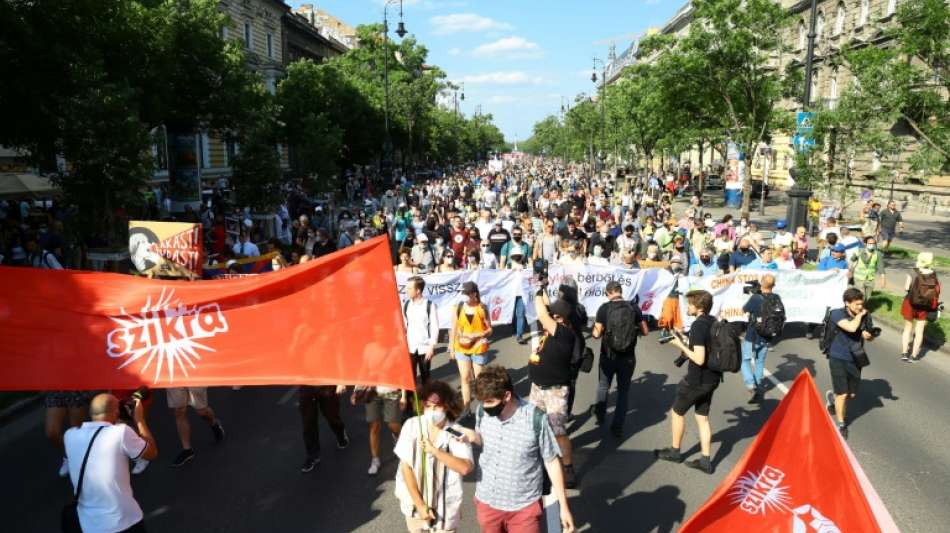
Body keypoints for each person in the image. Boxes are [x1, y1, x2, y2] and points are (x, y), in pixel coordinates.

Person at [459, 366, 575, 533]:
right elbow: (486, 442)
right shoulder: (482, 413)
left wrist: (563, 507)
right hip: (488, 503)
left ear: (507, 396)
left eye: (490, 402)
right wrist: (473, 436)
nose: (485, 406)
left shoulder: (535, 419)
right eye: (482, 402)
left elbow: (552, 462)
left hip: (524, 509)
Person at [64, 393, 158, 533]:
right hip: (124, 521)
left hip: (89, 525)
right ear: (116, 412)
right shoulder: (121, 432)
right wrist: (139, 420)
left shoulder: (69, 435)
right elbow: (152, 453)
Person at [655, 290, 721, 475]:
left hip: (697, 380)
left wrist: (679, 345)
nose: (687, 307)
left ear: (698, 307)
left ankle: (675, 452)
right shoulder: (712, 321)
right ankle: (705, 460)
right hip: (712, 378)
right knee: (702, 418)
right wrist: (683, 338)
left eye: (690, 304)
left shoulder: (699, 325)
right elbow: (705, 346)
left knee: (677, 412)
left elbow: (699, 358)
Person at [394, 381, 473, 533]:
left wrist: (435, 451)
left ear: (447, 406)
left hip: (445, 509)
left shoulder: (455, 432)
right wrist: (420, 506)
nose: (432, 411)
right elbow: (406, 467)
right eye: (428, 406)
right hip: (414, 507)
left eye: (437, 406)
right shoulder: (411, 425)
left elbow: (465, 468)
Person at [528, 290, 579, 489]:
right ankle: (538, 463)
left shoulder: (565, 334)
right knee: (534, 427)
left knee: (558, 431)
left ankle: (568, 468)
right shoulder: (555, 331)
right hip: (538, 388)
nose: (549, 317)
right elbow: (546, 311)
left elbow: (542, 314)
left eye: (554, 316)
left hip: (555, 391)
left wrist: (537, 291)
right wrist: (544, 284)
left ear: (561, 319)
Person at [591, 281, 649, 437]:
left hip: (608, 355)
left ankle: (600, 415)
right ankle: (617, 427)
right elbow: (645, 331)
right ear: (620, 291)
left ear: (609, 293)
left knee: (603, 385)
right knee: (624, 391)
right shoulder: (633, 308)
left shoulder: (604, 308)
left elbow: (596, 335)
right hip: (628, 357)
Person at [824, 288, 877, 439]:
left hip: (856, 357)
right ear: (847, 303)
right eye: (856, 304)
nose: (860, 307)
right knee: (843, 393)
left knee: (851, 394)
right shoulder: (837, 314)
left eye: (861, 304)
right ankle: (841, 424)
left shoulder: (865, 315)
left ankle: (832, 401)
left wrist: (869, 335)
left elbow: (866, 335)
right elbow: (851, 327)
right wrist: (860, 316)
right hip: (838, 356)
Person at [450, 282, 493, 412]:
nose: (465, 296)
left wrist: (480, 334)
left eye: (467, 293)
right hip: (461, 346)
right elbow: (453, 328)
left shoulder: (482, 308)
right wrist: (451, 347)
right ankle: (467, 409)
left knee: (479, 379)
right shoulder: (457, 307)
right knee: (464, 378)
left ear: (474, 294)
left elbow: (490, 329)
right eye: (463, 293)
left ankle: (482, 408)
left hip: (478, 347)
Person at [741, 274, 783, 403]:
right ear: (773, 286)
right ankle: (758, 385)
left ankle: (750, 385)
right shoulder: (776, 298)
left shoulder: (755, 298)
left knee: (746, 360)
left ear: (761, 284)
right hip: (767, 335)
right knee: (759, 362)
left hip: (752, 335)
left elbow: (744, 310)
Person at [166, 387, 225, 467]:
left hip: (194, 377)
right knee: (179, 411)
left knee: (202, 411)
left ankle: (214, 423)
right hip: (176, 377)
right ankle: (187, 450)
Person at [298, 385, 349, 473]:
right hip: (307, 385)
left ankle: (340, 432)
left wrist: (341, 381)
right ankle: (312, 455)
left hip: (326, 384)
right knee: (308, 422)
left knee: (332, 416)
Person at [900, 252, 941, 362]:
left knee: (908, 328)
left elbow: (906, 288)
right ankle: (914, 356)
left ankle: (904, 353)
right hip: (925, 305)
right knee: (919, 331)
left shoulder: (913, 271)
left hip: (910, 303)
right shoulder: (933, 274)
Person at [46, 391, 94, 477]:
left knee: (76, 430)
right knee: (52, 432)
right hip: (56, 388)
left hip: (75, 388)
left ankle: (82, 459)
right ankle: (69, 457)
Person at [404, 276, 439, 385]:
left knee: (425, 377)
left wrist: (431, 347)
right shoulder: (407, 304)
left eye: (409, 288)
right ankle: (410, 401)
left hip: (425, 348)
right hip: (410, 347)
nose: (406, 290)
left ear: (418, 290)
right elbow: (405, 326)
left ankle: (426, 400)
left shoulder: (429, 305)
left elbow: (434, 327)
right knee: (410, 378)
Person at [849, 236, 885, 301]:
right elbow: (852, 260)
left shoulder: (877, 254)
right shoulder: (859, 251)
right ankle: (859, 309)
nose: (872, 245)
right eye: (870, 243)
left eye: (873, 243)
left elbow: (881, 267)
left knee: (867, 297)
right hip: (858, 278)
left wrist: (883, 280)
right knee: (861, 295)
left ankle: (861, 306)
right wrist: (850, 271)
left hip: (870, 279)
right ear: (865, 244)